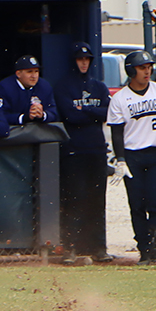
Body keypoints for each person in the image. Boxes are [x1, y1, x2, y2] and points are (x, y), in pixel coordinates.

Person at [107, 50, 156, 266]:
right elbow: (117, 132)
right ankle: (144, 250)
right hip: (133, 157)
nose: (147, 71)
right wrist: (120, 160)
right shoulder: (120, 98)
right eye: (141, 68)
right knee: (137, 205)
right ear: (131, 71)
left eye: (148, 67)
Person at [54, 42, 112, 263]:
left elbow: (107, 113)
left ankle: (98, 247)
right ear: (74, 61)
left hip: (96, 150)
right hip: (73, 151)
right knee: (74, 200)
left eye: (87, 59)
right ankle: (71, 248)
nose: (84, 63)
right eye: (80, 59)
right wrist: (92, 113)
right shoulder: (63, 86)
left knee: (97, 200)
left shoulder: (99, 86)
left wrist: (85, 110)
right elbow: (70, 116)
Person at [0, 55, 57, 126]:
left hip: (38, 132)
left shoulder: (44, 86)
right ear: (18, 74)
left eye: (36, 71)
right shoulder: (4, 87)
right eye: (29, 72)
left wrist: (42, 115)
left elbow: (54, 112)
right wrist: (24, 117)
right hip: (13, 133)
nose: (34, 76)